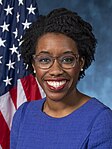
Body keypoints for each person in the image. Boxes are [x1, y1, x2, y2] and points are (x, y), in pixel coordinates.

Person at [10, 8, 112, 149]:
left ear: (80, 63)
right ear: (34, 64)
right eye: (45, 60)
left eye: (67, 59)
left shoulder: (101, 120)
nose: (56, 71)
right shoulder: (23, 114)